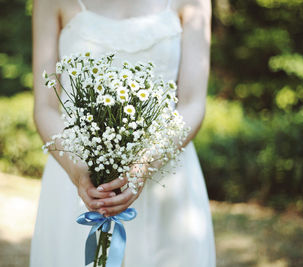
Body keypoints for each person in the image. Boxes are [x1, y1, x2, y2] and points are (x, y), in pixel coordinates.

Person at [31, 0, 216, 266]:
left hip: (167, 179)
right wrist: (77, 168)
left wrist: (145, 164)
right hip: (76, 177)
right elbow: (45, 107)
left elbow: (193, 103)